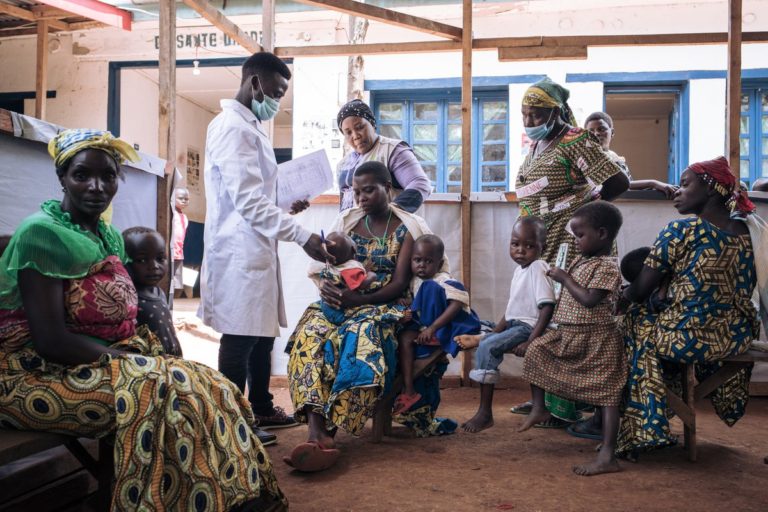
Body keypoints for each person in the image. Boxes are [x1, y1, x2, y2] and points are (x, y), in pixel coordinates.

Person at [0, 129, 287, 510]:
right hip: (34, 371)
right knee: (160, 393)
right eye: (82, 175)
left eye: (108, 176)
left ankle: (236, 496)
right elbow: (51, 339)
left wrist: (132, 357)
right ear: (62, 178)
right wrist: (130, 361)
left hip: (97, 360)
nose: (96, 187)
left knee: (209, 383)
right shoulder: (41, 234)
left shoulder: (105, 235)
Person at [285, 161, 455, 472]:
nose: (361, 197)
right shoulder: (348, 224)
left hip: (385, 306)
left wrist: (357, 299)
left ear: (388, 189)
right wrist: (327, 288)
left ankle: (329, 431)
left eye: (369, 190)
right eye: (356, 191)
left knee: (360, 341)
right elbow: (326, 267)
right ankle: (315, 431)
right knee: (309, 335)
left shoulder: (406, 228)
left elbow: (399, 284)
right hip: (342, 304)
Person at [199, 51, 332, 442]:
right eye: (274, 92)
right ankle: (231, 422)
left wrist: (286, 204)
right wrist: (303, 235)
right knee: (240, 336)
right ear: (255, 83)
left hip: (255, 245)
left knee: (261, 333)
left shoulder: (249, 125)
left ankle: (259, 407)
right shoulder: (232, 128)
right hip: (238, 250)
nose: (276, 102)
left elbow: (254, 195)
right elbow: (247, 201)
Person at [617, 157, 759, 460]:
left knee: (634, 323)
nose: (677, 192)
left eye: (684, 185)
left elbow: (641, 291)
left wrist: (619, 296)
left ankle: (646, 426)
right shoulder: (752, 234)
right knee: (658, 323)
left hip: (690, 337)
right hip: (736, 333)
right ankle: (666, 406)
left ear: (709, 187)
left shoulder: (681, 231)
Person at [513, 77, 629, 425]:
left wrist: (584, 210)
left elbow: (617, 181)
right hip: (546, 243)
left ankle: (571, 405)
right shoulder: (538, 146)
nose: (528, 121)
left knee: (572, 321)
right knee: (547, 317)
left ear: (556, 112)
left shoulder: (575, 140)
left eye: (536, 114)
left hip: (571, 243)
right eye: (524, 114)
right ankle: (550, 399)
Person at [519, 201, 626, 477]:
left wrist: (565, 278)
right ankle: (540, 408)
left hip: (599, 339)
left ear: (602, 234)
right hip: (569, 334)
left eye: (581, 235)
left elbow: (590, 299)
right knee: (536, 350)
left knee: (608, 395)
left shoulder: (608, 266)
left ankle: (608, 454)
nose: (576, 241)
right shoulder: (583, 260)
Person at [456, 216, 555, 433]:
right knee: (481, 326)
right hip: (515, 324)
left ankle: (485, 413)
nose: (521, 250)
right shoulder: (520, 270)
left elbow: (547, 307)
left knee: (488, 347)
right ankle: (484, 334)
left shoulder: (538, 267)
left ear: (542, 247)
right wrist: (496, 329)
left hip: (528, 327)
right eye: (515, 244)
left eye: (529, 246)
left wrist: (531, 340)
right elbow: (512, 311)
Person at [394, 234, 480, 415]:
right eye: (417, 260)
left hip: (447, 325)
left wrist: (433, 327)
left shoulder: (443, 280)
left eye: (428, 261)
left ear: (439, 264)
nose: (421, 265)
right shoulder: (413, 282)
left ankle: (435, 337)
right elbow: (418, 303)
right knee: (404, 338)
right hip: (423, 326)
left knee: (430, 287)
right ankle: (409, 390)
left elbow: (457, 303)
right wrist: (406, 302)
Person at [336, 99, 432, 213]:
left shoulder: (392, 150)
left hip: (386, 229)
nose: (356, 136)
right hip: (351, 228)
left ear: (372, 124)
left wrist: (390, 215)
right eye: (348, 132)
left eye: (359, 127)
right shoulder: (343, 164)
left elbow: (420, 184)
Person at [584, 112, 678, 198]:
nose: (596, 133)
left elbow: (626, 185)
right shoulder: (582, 159)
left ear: (612, 133)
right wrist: (652, 183)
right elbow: (617, 185)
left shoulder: (616, 159)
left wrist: (655, 185)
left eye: (601, 129)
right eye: (591, 131)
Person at [123, 226, 183, 357]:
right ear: (124, 262)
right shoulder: (129, 298)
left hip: (171, 361)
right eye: (142, 260)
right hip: (151, 366)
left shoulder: (159, 292)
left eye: (160, 259)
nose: (154, 266)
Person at [307, 231, 377, 324]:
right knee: (345, 321)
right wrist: (371, 275)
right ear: (354, 250)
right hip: (340, 305)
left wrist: (364, 270)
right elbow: (361, 285)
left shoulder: (328, 267)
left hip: (326, 304)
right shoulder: (351, 268)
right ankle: (344, 322)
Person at [171, 187, 189, 298]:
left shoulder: (184, 217)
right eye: (181, 198)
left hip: (179, 253)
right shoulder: (172, 214)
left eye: (187, 199)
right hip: (171, 252)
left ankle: (172, 305)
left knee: (177, 283)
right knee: (169, 279)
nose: (184, 201)